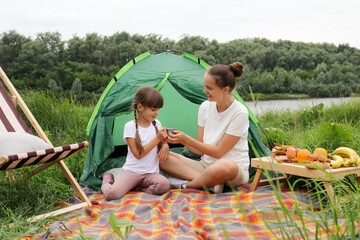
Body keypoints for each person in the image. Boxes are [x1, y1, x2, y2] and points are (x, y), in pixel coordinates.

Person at [161, 62, 249, 194]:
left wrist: (186, 139)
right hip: (205, 167)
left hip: (233, 171)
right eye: (205, 86)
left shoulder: (239, 113)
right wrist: (179, 140)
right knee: (160, 157)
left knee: (225, 165)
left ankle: (186, 185)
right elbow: (200, 149)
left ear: (225, 89)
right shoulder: (205, 107)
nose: (204, 91)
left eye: (209, 88)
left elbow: (219, 152)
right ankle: (210, 184)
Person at [101, 86, 170, 200]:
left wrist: (165, 146)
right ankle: (107, 180)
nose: (157, 113)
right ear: (140, 107)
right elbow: (138, 154)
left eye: (158, 109)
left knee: (164, 185)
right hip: (132, 172)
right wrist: (157, 139)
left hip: (150, 174)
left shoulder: (156, 123)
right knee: (112, 194)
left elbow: (163, 142)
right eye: (153, 110)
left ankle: (137, 188)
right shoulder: (130, 126)